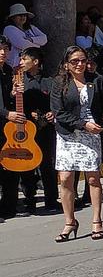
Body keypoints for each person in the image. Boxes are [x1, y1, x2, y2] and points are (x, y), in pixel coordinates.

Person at [50, 45, 103, 241]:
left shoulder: (96, 80)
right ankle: (69, 222)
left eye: (82, 60)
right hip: (69, 134)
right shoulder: (59, 83)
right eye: (74, 61)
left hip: (92, 133)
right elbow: (58, 112)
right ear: (66, 65)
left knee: (92, 178)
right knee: (65, 179)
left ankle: (97, 221)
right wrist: (83, 125)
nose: (80, 64)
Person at [19, 47, 59, 213]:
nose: (21, 62)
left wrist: (52, 113)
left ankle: (52, 199)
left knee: (47, 164)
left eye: (24, 59)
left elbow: (56, 101)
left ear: (35, 62)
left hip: (45, 128)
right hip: (26, 128)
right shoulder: (20, 80)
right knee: (27, 163)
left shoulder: (49, 81)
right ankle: (29, 200)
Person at [0, 37, 20, 219]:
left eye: (5, 49)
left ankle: (9, 205)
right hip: (4, 118)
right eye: (0, 49)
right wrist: (6, 113)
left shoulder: (7, 70)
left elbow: (7, 98)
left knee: (10, 162)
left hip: (7, 126)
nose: (3, 53)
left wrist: (14, 93)